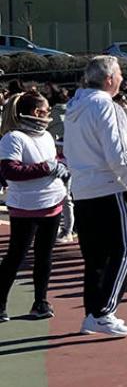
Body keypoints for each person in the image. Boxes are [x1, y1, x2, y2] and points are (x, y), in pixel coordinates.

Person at [62, 55, 127, 337]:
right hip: (109, 187)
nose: (123, 78)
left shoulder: (75, 106)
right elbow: (118, 154)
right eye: (120, 74)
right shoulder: (106, 106)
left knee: (96, 256)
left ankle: (93, 312)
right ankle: (103, 312)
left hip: (83, 189)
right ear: (109, 79)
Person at [0, 90, 69, 322]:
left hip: (53, 202)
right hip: (25, 206)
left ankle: (40, 301)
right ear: (35, 112)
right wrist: (47, 168)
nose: (49, 114)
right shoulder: (13, 138)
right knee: (16, 256)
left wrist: (60, 166)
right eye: (46, 110)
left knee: (44, 256)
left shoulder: (47, 136)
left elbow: (51, 162)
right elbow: (10, 171)